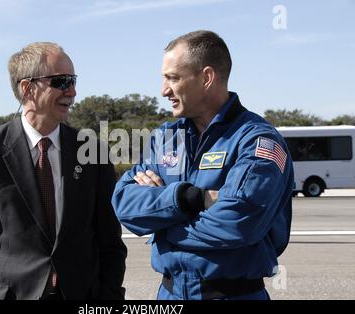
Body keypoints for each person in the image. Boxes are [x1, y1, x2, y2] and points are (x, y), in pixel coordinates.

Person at [112, 31, 294, 300]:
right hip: (169, 295)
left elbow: (238, 223)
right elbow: (124, 204)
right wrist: (190, 199)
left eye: (173, 78)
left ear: (207, 78)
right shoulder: (165, 138)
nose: (164, 90)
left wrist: (162, 227)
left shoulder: (257, 140)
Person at [0, 42, 127, 300]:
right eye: (62, 81)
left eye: (73, 80)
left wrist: (108, 297)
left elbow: (110, 242)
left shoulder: (92, 151)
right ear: (27, 88)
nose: (73, 91)